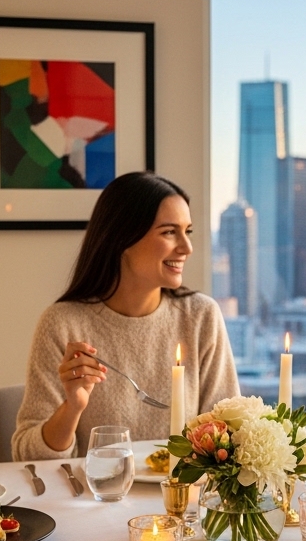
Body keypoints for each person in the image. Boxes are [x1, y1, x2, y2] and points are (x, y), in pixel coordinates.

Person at [12, 172, 239, 460]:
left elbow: (230, 437)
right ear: (122, 239)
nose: (187, 248)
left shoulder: (201, 317)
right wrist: (73, 406)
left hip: (183, 500)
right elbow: (27, 455)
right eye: (169, 232)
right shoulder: (62, 324)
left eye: (187, 231)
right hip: (97, 499)